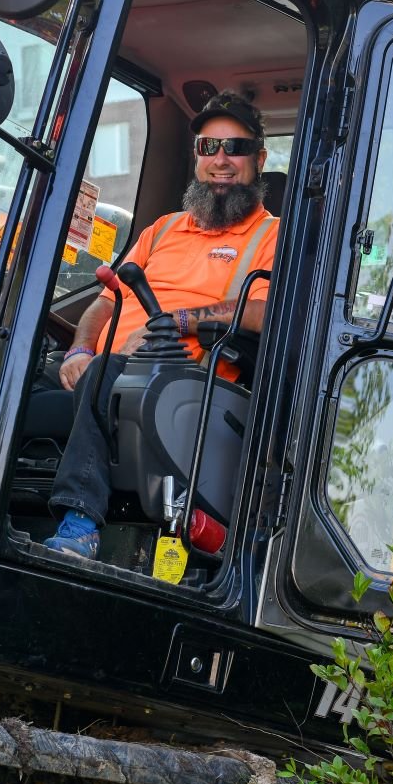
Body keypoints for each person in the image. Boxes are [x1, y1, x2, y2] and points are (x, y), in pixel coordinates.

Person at [44, 91, 278, 559]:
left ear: (259, 159)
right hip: (107, 365)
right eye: (209, 148)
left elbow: (264, 312)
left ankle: (80, 524)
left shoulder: (271, 234)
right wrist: (78, 351)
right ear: (196, 158)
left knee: (107, 373)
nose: (221, 161)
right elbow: (104, 303)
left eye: (235, 148)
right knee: (7, 374)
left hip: (186, 380)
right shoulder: (163, 229)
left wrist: (180, 321)